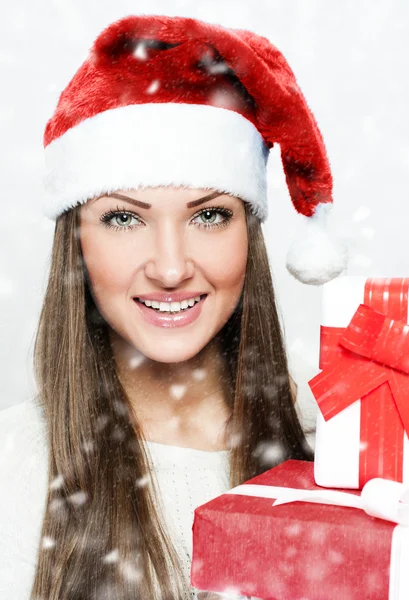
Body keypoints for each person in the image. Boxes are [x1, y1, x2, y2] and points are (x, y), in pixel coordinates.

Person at [0, 14, 347, 600]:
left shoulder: (346, 440)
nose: (169, 267)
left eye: (209, 215)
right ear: (77, 244)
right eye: (124, 218)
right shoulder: (12, 471)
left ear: (249, 234)